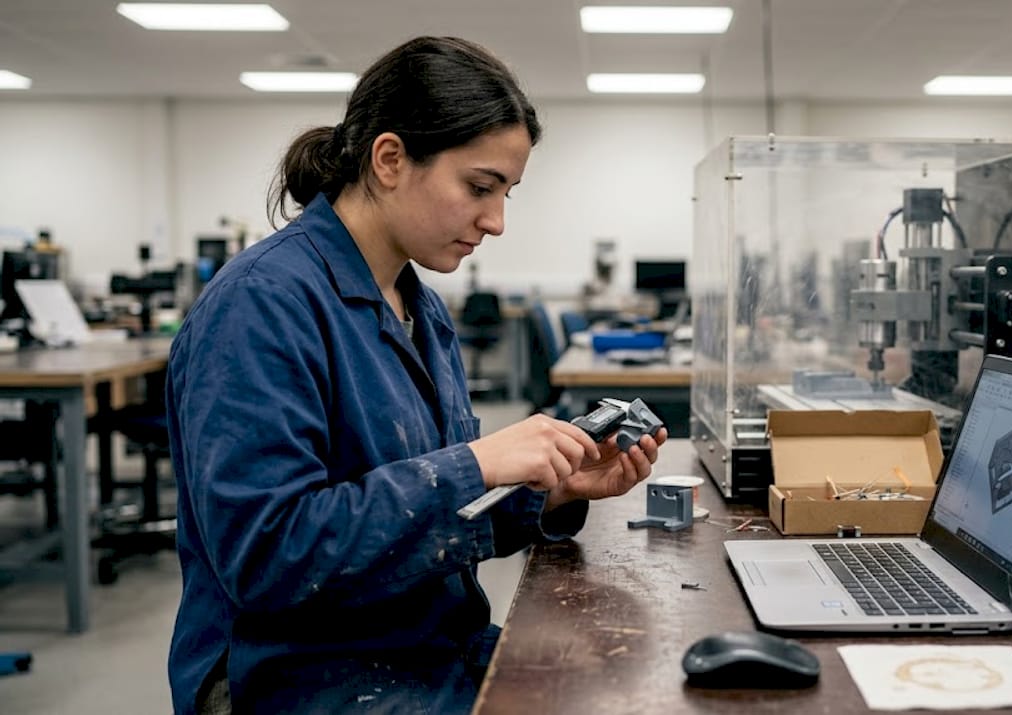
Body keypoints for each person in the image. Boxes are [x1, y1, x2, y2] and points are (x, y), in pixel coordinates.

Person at [165, 36, 666, 714]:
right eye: (479, 188)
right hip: (300, 673)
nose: (495, 221)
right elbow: (267, 556)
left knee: (630, 679)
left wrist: (545, 493)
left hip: (423, 644)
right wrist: (475, 464)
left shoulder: (417, 303)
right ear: (390, 158)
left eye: (507, 192)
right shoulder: (261, 304)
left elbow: (427, 505)